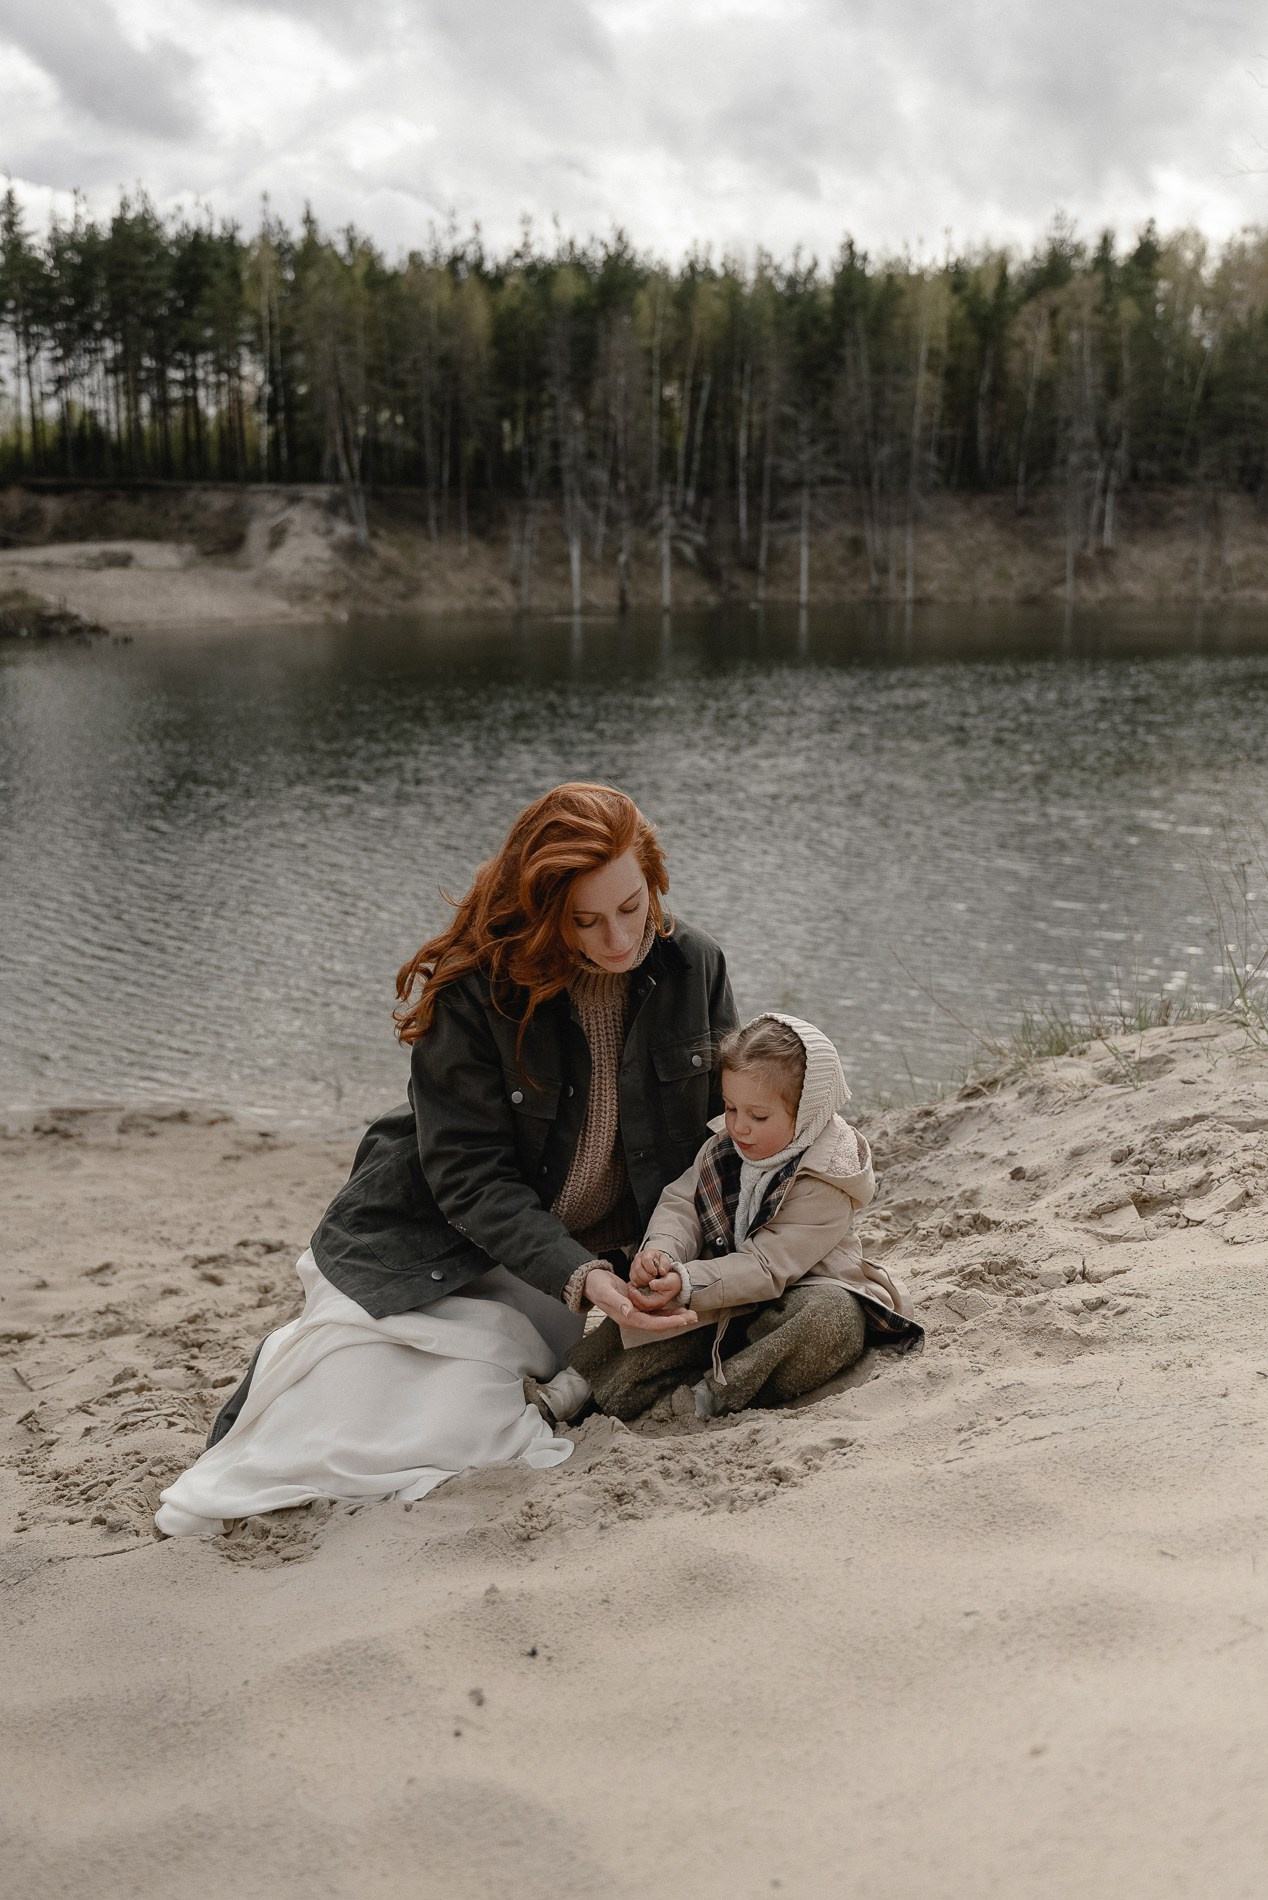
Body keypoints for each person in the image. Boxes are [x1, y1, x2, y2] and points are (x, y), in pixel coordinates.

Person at [154, 783, 736, 1536]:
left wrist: (662, 1254)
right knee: (330, 1430)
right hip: (449, 1243)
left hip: (574, 1268)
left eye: (632, 907)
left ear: (652, 877)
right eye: (585, 921)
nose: (620, 939)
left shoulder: (694, 965)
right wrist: (585, 1276)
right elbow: (467, 1177)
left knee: (467, 1425)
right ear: (543, 911)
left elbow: (718, 1137)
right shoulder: (477, 990)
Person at [534, 1013, 921, 1425]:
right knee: (657, 1315)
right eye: (731, 1107)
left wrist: (687, 1282)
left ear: (809, 1110)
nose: (739, 1126)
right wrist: (662, 1253)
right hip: (722, 1289)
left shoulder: (828, 1177)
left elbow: (767, 1267)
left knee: (832, 1320)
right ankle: (575, 1388)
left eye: (758, 1116)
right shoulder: (724, 1147)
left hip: (799, 1289)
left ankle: (714, 1396)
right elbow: (682, 1205)